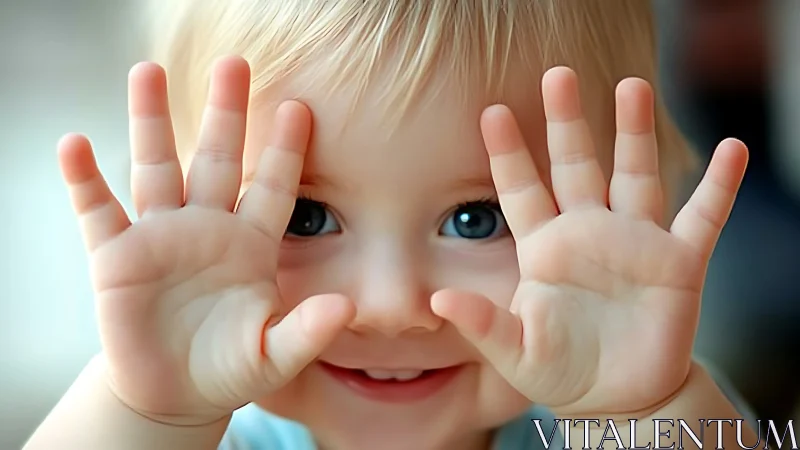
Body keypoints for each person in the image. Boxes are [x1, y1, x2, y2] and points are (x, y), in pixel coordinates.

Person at [24, 1, 758, 449]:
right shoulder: (195, 440)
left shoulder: (639, 419)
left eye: (476, 219)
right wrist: (148, 415)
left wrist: (639, 412)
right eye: (304, 216)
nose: (391, 306)